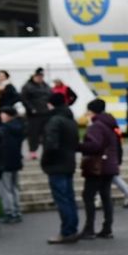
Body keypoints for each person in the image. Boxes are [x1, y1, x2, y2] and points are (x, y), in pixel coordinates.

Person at [78, 99, 121, 239]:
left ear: (91, 112)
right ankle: (107, 228)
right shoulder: (110, 123)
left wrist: (79, 146)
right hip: (110, 165)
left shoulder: (96, 126)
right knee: (106, 196)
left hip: (97, 167)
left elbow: (94, 145)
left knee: (88, 196)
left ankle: (89, 228)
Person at [42, 92, 81, 244]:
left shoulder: (55, 121)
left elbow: (51, 145)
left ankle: (67, 231)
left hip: (56, 165)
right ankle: (72, 228)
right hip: (68, 163)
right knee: (69, 198)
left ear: (52, 104)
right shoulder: (70, 120)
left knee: (62, 200)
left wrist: (45, 161)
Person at [0, 106, 26, 224]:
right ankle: (17, 211)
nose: (1, 116)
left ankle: (10, 212)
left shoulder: (4, 129)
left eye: (3, 114)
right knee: (14, 187)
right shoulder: (19, 126)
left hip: (5, 161)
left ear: (8, 115)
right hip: (16, 161)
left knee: (6, 189)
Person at [20, 68, 52, 160]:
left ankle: (47, 151)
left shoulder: (45, 85)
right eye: (38, 76)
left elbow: (50, 95)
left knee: (47, 132)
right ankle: (33, 150)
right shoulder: (27, 86)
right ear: (34, 76)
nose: (40, 78)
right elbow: (24, 99)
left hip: (45, 113)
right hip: (34, 114)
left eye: (41, 76)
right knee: (33, 133)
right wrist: (31, 109)